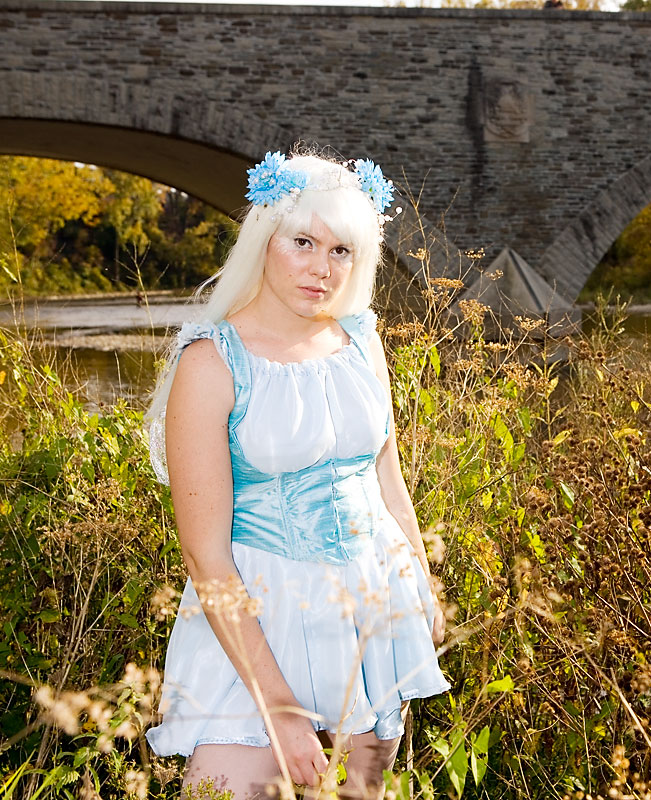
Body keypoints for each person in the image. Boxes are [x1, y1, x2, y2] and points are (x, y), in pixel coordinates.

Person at [143, 150, 450, 798]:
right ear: (265, 239)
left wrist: (423, 585)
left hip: (372, 611)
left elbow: (388, 482)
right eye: (303, 242)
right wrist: (280, 711)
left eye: (341, 250)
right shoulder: (210, 364)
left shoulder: (361, 341)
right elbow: (205, 556)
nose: (321, 267)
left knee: (358, 791)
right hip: (261, 620)